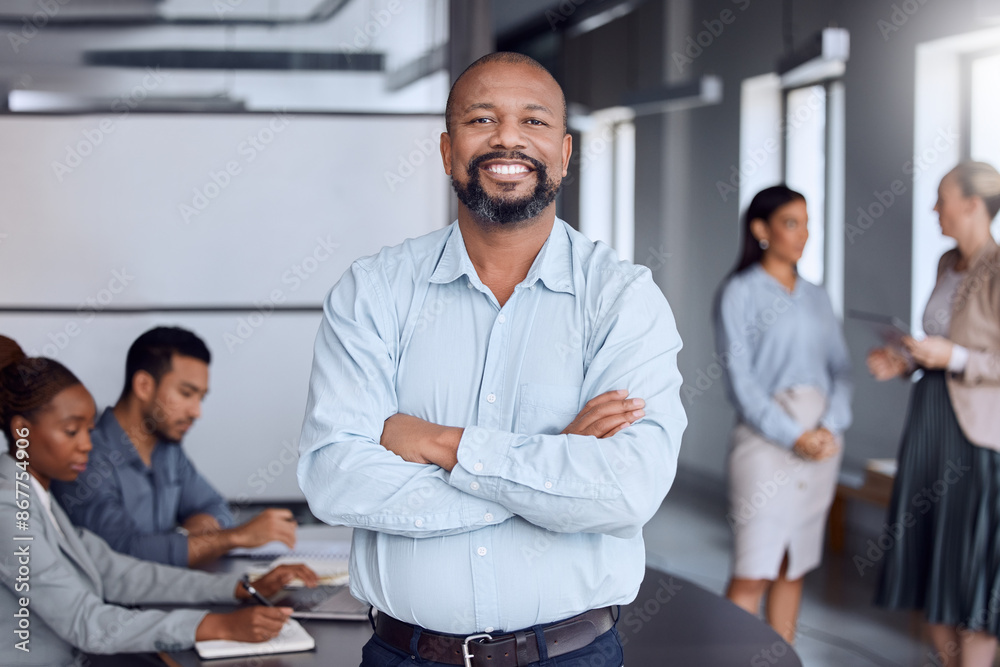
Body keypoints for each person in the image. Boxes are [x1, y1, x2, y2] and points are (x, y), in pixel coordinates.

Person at [297, 52, 686, 667]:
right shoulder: (373, 290)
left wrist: (445, 447)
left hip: (572, 655)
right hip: (405, 655)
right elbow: (335, 477)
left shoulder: (621, 298)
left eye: (532, 122)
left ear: (564, 152)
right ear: (448, 151)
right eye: (483, 119)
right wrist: (553, 464)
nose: (507, 137)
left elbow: (627, 490)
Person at [0, 336, 318, 667]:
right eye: (71, 431)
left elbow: (119, 574)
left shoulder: (37, 497)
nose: (87, 445)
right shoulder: (9, 508)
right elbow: (85, 621)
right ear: (22, 431)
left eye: (88, 430)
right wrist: (214, 625)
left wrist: (238, 588)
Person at [871, 161, 1000, 667]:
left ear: (972, 204)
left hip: (978, 438)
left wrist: (955, 358)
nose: (934, 208)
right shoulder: (947, 263)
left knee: (974, 580)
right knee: (935, 576)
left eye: (942, 198)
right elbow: (940, 344)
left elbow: (971, 355)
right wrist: (905, 360)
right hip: (930, 424)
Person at [714, 185, 852, 643]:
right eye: (792, 223)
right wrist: (794, 435)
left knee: (793, 569)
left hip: (822, 444)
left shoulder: (816, 296)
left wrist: (830, 427)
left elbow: (841, 371)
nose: (804, 235)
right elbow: (742, 383)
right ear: (761, 229)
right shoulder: (739, 293)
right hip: (767, 444)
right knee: (755, 569)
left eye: (807, 223)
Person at [52, 326, 297, 567]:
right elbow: (123, 554)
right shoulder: (83, 455)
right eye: (186, 393)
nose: (196, 412)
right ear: (144, 386)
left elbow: (215, 507)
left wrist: (185, 543)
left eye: (200, 398)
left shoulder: (168, 449)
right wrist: (235, 537)